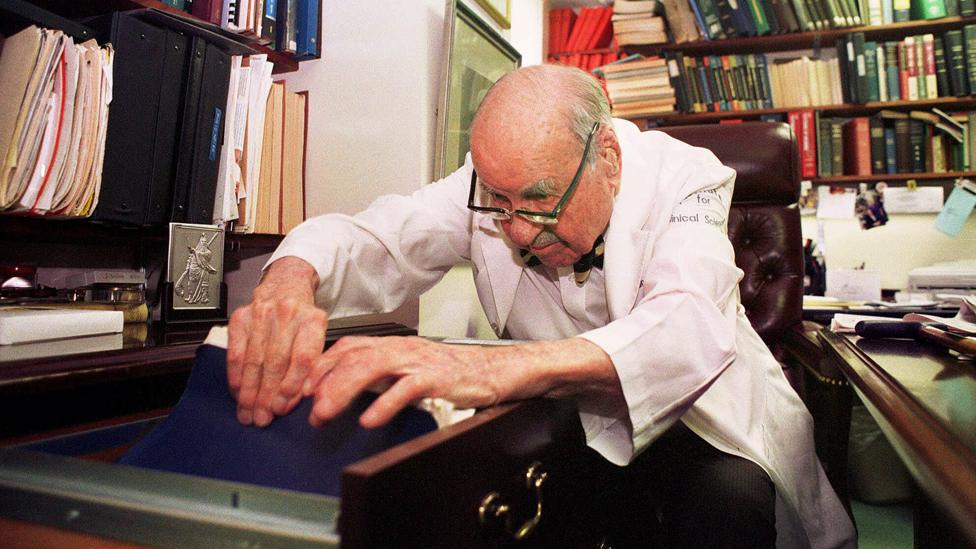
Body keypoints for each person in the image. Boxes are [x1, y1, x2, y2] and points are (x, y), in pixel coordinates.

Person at [227, 64, 855, 548]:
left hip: (704, 418)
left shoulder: (687, 177)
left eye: (539, 202)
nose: (519, 231)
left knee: (729, 500)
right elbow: (382, 237)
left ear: (606, 156)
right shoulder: (491, 188)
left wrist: (494, 367)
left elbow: (687, 327)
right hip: (575, 416)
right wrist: (289, 278)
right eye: (499, 203)